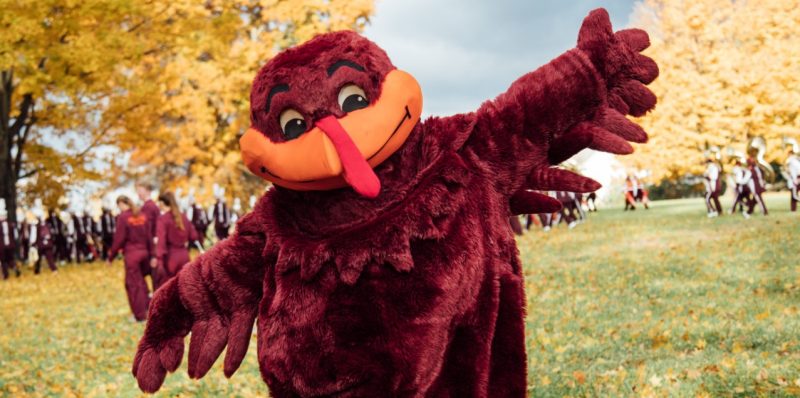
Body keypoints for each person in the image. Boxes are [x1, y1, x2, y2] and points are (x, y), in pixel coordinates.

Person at [107, 195, 154, 322]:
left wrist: (111, 256)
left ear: (122, 204)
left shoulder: (123, 217)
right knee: (142, 283)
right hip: (145, 254)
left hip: (132, 255)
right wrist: (152, 254)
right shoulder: (142, 215)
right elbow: (149, 236)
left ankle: (139, 315)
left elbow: (119, 239)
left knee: (133, 285)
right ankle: (148, 309)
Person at [154, 192, 198, 290]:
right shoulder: (183, 216)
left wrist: (159, 260)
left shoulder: (163, 219)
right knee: (185, 288)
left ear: (162, 203)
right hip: (185, 256)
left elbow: (161, 243)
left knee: (171, 291)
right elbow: (194, 235)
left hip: (171, 258)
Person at [31, 207, 57, 274]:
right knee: (38, 258)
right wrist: (33, 243)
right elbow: (34, 235)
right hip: (40, 244)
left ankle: (54, 269)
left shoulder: (47, 225)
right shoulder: (37, 225)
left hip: (46, 244)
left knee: (49, 257)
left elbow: (51, 233)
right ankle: (37, 271)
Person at [0, 199, 20, 279]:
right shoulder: (11, 224)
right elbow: (16, 235)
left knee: (3, 260)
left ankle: (6, 275)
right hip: (11, 245)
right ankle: (15, 268)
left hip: (2, 246)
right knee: (10, 259)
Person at [783, 139, 800, 212]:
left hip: (795, 180)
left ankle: (793, 209)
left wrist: (797, 178)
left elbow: (798, 170)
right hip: (793, 179)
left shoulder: (793, 161)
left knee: (794, 196)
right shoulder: (793, 161)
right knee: (793, 196)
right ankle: (793, 209)